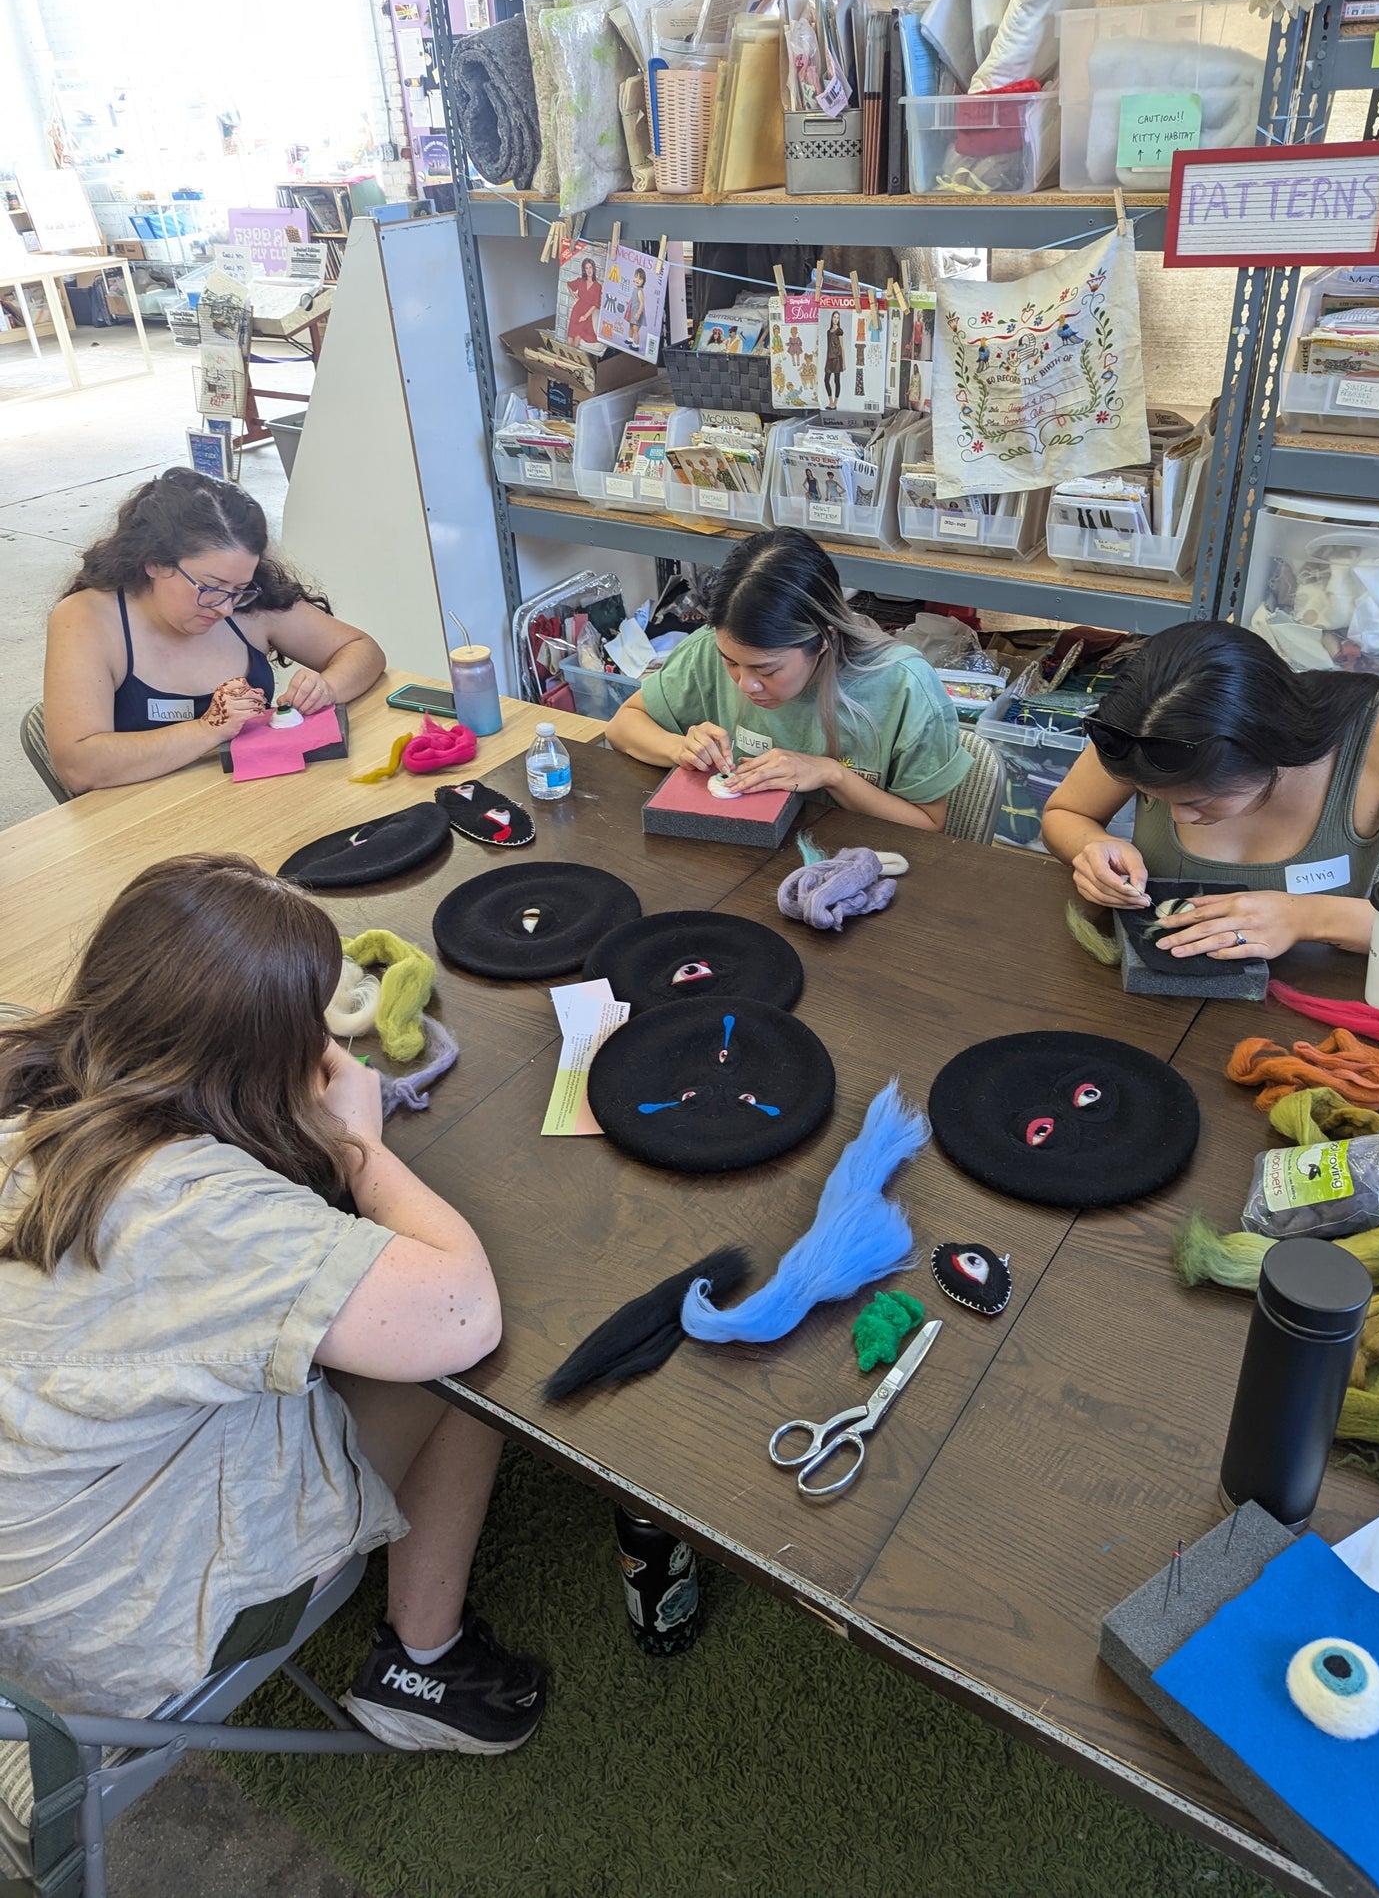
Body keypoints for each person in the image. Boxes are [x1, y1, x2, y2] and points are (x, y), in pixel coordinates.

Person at [0, 855, 545, 1754]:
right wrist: (359, 1146)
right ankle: (425, 1663)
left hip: (32, 1570)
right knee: (471, 1361)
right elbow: (460, 1310)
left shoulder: (34, 1079)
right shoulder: (192, 1207)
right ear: (266, 1061)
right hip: (106, 1630)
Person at [1040, 621, 1379, 960]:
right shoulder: (1150, 720)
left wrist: (1307, 917)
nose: (1177, 818)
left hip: (1318, 988)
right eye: (1155, 798)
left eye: (1196, 801)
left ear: (1268, 751)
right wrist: (1092, 848)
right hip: (1160, 982)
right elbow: (1066, 814)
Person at [606, 529, 972, 831]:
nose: (744, 685)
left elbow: (927, 824)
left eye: (767, 670)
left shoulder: (902, 686)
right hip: (738, 853)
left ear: (824, 640)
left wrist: (832, 775)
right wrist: (678, 748)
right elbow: (623, 725)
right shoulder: (710, 648)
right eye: (730, 663)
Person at [43, 469, 384, 793]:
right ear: (154, 562)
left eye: (240, 588)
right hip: (144, 817)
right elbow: (79, 767)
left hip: (254, 796)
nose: (225, 608)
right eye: (211, 587)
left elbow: (362, 649)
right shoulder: (87, 618)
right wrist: (208, 729)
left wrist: (326, 688)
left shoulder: (248, 603)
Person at [565, 256, 602, 346]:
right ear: (584, 270)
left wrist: (585, 316)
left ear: (593, 269)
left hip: (586, 314)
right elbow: (569, 285)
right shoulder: (580, 281)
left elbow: (595, 304)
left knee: (576, 341)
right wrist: (574, 296)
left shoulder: (597, 286)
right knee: (569, 340)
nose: (589, 270)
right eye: (586, 268)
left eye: (590, 267)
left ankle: (574, 359)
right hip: (576, 311)